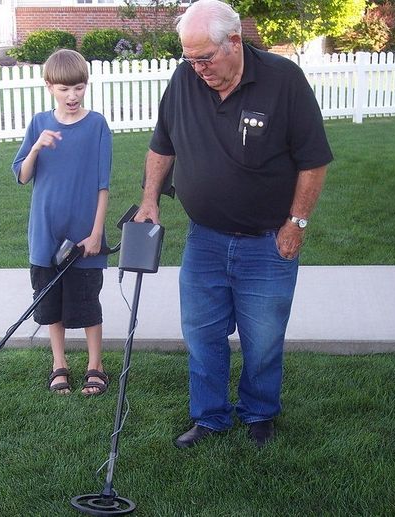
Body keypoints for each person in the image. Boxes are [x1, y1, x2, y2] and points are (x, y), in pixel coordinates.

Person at [135, 0, 333, 447]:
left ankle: (259, 413)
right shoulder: (184, 78)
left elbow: (314, 161)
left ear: (235, 42)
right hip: (204, 238)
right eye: (189, 58)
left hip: (268, 241)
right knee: (202, 335)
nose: (198, 67)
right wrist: (150, 200)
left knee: (262, 340)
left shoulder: (283, 81)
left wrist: (296, 223)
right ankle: (210, 418)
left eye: (205, 57)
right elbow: (161, 145)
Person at [11, 49, 112, 396]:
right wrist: (36, 147)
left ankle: (95, 365)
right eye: (64, 89)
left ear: (86, 86)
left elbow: (103, 184)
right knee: (50, 303)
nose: (72, 96)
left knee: (87, 302)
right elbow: (22, 176)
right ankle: (59, 364)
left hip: (85, 234)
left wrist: (97, 232)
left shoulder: (96, 124)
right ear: (49, 86)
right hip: (45, 232)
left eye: (79, 88)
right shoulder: (39, 124)